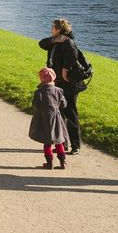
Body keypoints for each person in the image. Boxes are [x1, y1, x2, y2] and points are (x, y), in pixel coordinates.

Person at [39, 19, 86, 155]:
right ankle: (63, 144)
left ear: (59, 29)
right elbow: (41, 43)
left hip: (69, 84)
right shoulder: (55, 41)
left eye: (53, 28)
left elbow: (72, 56)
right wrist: (54, 40)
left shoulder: (69, 42)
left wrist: (65, 69)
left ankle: (76, 145)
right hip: (58, 83)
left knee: (70, 113)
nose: (51, 29)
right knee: (59, 113)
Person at [29, 67, 69, 169]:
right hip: (56, 118)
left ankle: (49, 163)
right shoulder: (59, 91)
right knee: (59, 141)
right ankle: (63, 162)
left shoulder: (39, 92)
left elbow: (35, 105)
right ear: (54, 78)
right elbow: (64, 104)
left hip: (44, 118)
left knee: (47, 142)